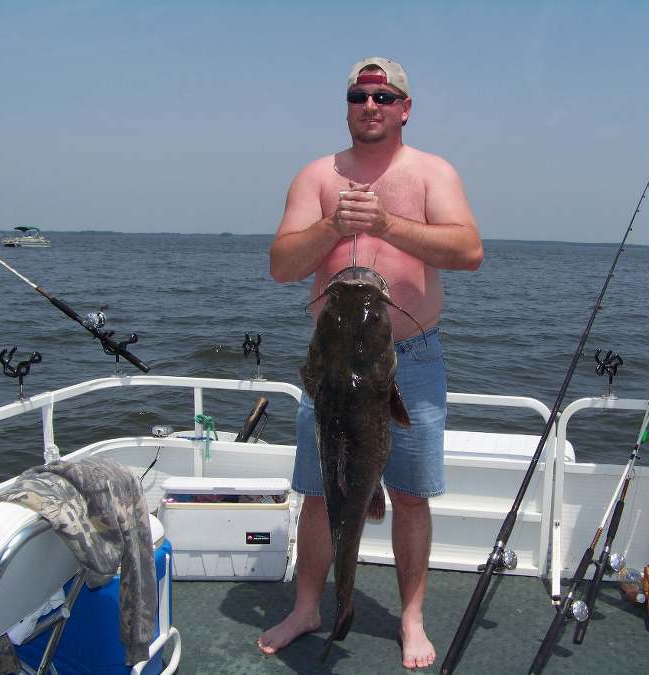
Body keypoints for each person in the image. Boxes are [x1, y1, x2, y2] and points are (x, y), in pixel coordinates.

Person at [259, 56, 482, 670]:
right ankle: (309, 606)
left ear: (405, 108)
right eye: (360, 96)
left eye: (385, 97)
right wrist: (332, 226)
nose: (371, 106)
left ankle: (411, 618)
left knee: (410, 495)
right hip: (330, 371)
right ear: (348, 105)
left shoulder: (433, 173)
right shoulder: (318, 176)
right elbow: (282, 267)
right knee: (319, 493)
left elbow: (468, 251)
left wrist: (387, 223)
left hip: (409, 360)